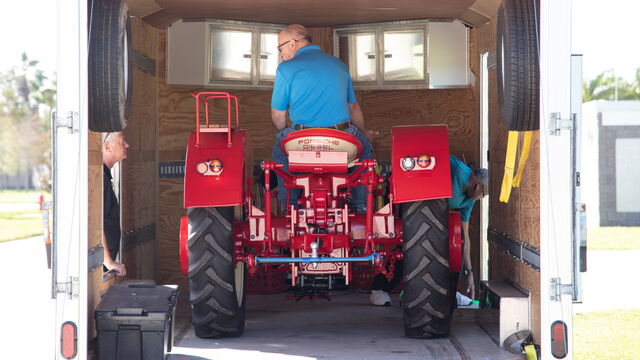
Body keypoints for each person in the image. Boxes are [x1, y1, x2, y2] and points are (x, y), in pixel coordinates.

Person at [270, 24, 377, 212]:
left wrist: (285, 134)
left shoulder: (285, 69)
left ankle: (289, 206)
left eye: (280, 47)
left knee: (279, 152)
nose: (280, 53)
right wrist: (364, 133)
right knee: (365, 153)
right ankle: (361, 207)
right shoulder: (338, 64)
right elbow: (353, 107)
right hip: (341, 139)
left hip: (301, 140)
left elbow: (278, 114)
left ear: (293, 43)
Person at [369, 155, 488, 306]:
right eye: (483, 194)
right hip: (409, 197)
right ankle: (379, 288)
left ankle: (448, 293)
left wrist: (469, 271)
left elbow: (464, 234)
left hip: (430, 218)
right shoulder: (456, 168)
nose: (480, 198)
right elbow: (426, 158)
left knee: (455, 245)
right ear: (477, 185)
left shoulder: (467, 201)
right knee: (406, 247)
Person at [102, 131, 129, 276]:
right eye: (121, 141)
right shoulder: (101, 180)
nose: (127, 145)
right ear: (107, 147)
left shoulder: (104, 176)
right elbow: (96, 223)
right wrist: (108, 262)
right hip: (102, 266)